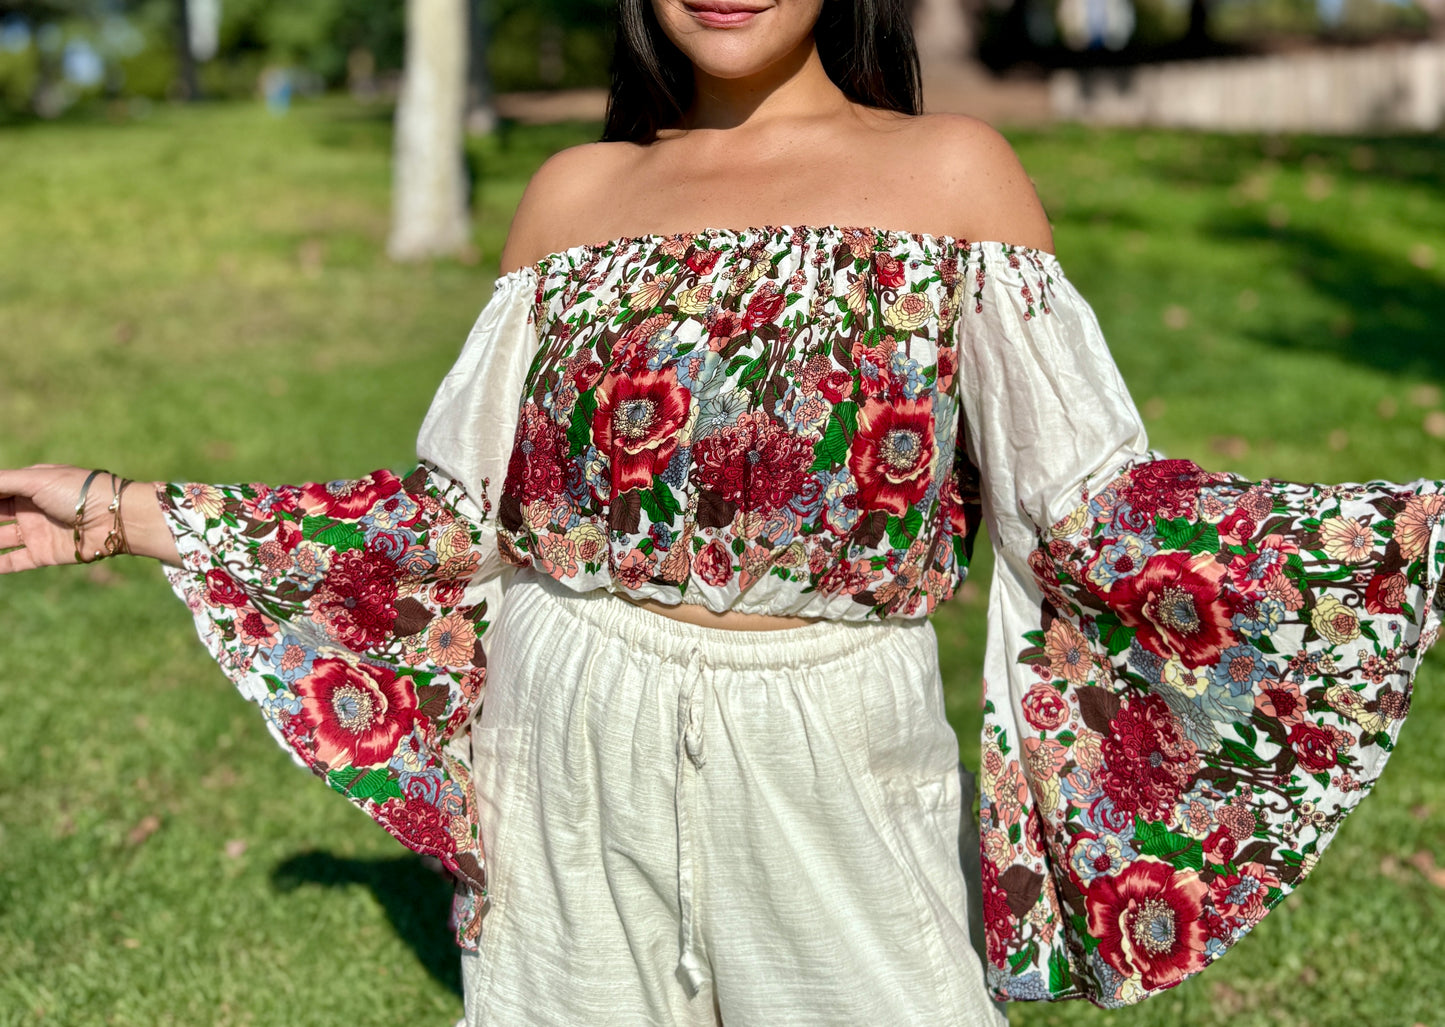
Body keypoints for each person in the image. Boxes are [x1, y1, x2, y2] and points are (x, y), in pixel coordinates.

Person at [1, 0, 1441, 1023]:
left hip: (828, 734)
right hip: (564, 728)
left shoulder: (952, 174)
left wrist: (1408, 543)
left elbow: (1090, 514)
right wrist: (124, 512)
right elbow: (443, 519)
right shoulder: (573, 197)